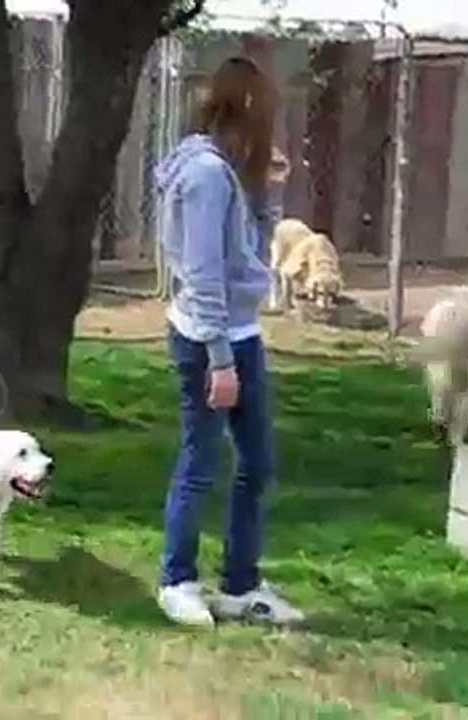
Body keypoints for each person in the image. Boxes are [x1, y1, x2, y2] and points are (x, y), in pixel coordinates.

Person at [154, 56, 303, 627]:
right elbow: (203, 272)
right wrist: (219, 360)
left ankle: (240, 585)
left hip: (240, 332)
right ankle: (177, 580)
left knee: (258, 463)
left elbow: (250, 251)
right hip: (206, 339)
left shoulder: (230, 173)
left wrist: (267, 193)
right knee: (201, 461)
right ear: (244, 112)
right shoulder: (206, 176)